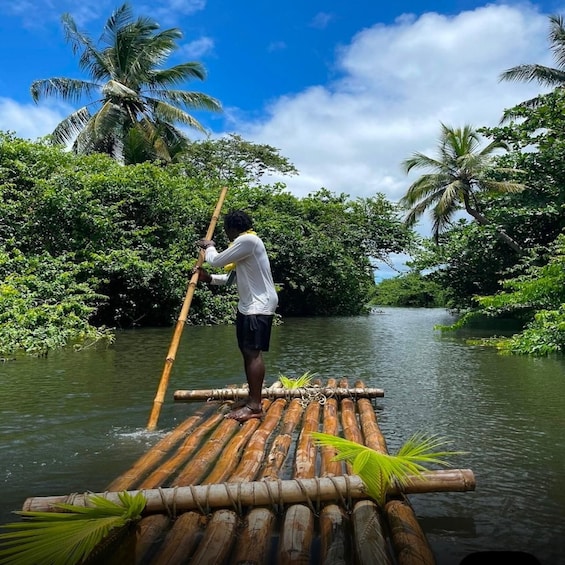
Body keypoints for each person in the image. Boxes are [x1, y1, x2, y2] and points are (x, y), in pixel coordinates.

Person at [195, 210, 278, 423]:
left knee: (252, 352)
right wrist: (208, 278)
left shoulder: (248, 240)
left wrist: (208, 246)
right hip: (248, 306)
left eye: (226, 231)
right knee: (246, 351)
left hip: (258, 305)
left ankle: (255, 406)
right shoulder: (244, 246)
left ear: (231, 229)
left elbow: (215, 260)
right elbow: (231, 278)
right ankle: (252, 398)